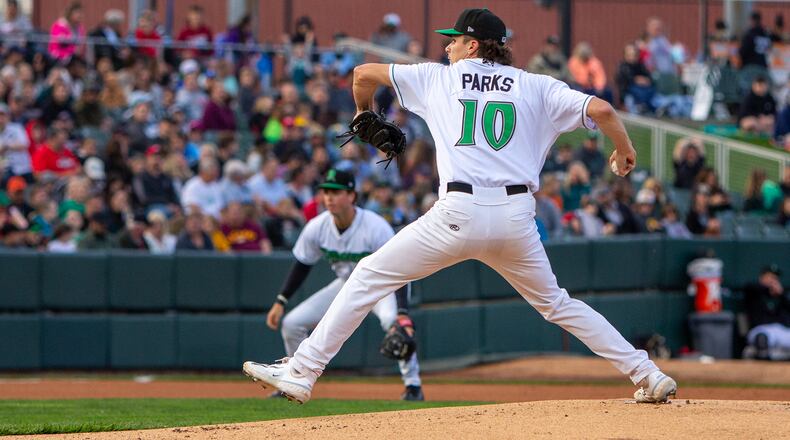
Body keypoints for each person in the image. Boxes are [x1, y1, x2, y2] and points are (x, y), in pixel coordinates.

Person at [243, 8, 676, 405]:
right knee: (558, 305)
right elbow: (601, 108)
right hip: (515, 219)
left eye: (454, 39)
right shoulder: (536, 85)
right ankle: (647, 373)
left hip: (458, 212)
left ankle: (303, 370)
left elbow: (362, 73)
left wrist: (362, 114)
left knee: (369, 275)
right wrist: (623, 151)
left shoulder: (439, 78)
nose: (447, 45)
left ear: (473, 45)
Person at [260, 169, 423, 400]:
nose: (329, 197)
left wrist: (403, 313)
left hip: (381, 287)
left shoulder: (375, 227)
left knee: (393, 323)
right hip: (346, 286)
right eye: (326, 191)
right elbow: (302, 265)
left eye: (336, 192)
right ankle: (294, 379)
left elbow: (400, 270)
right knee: (291, 323)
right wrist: (281, 300)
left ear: (352, 196)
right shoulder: (318, 227)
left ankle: (413, 386)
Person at [744, 265, 789, 360]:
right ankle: (763, 371)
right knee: (762, 338)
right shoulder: (754, 292)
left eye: (775, 278)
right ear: (762, 278)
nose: (772, 281)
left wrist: (782, 294)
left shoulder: (781, 296)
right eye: (769, 277)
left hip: (780, 330)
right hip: (761, 329)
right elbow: (750, 287)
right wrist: (767, 288)